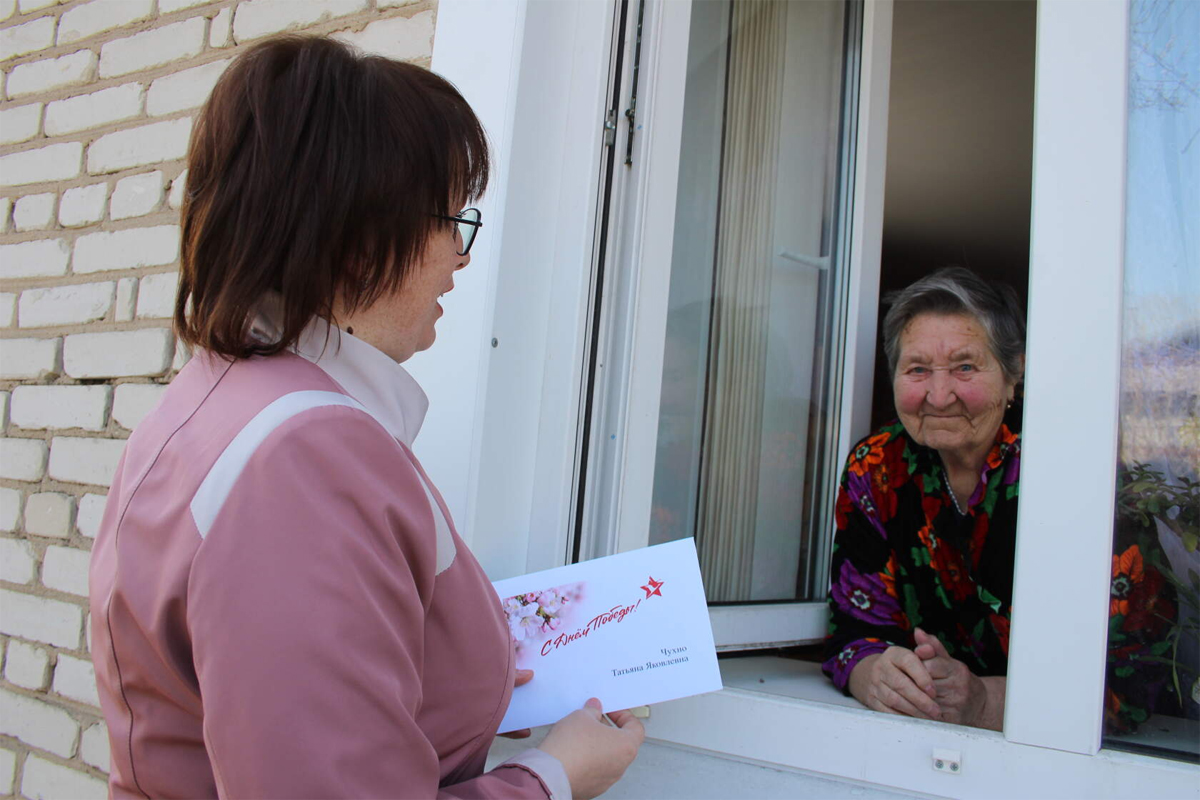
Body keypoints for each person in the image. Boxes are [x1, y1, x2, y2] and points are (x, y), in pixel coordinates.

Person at [88, 35, 643, 799]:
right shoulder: (301, 459)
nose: (462, 254)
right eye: (450, 218)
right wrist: (553, 775)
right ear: (355, 233)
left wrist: (473, 685)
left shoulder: (218, 398)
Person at [821, 267, 1025, 730]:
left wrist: (986, 702)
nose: (938, 394)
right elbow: (855, 631)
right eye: (917, 369)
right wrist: (871, 672)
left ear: (1014, 373)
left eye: (965, 367)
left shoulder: (1066, 475)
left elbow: (1120, 671)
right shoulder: (877, 468)